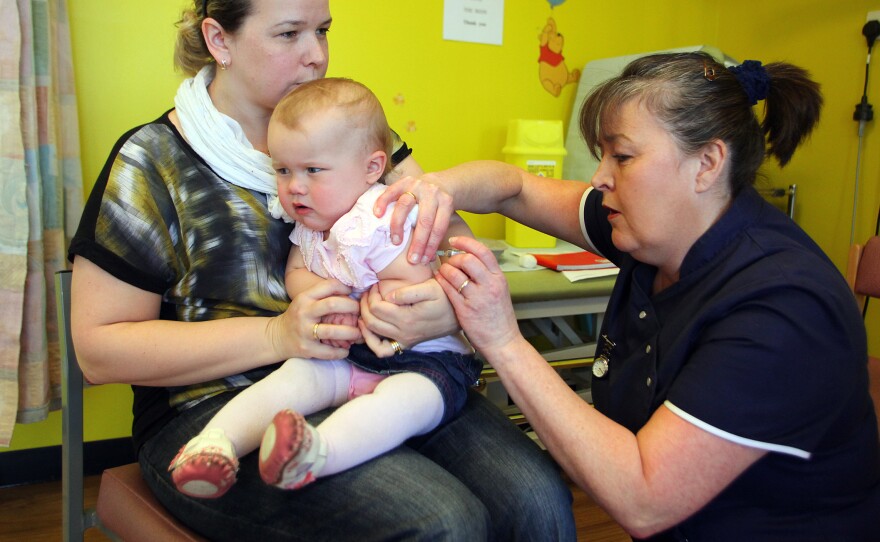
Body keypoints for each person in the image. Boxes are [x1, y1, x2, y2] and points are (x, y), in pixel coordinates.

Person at [67, 1, 576, 540]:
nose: (316, 57)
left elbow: (444, 239)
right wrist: (276, 334)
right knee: (441, 521)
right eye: (289, 34)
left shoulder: (347, 132)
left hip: (385, 367)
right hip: (209, 402)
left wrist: (439, 306)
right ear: (219, 40)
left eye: (323, 31)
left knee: (536, 500)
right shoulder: (151, 163)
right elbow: (99, 350)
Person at [379, 52, 880, 540]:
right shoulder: (658, 233)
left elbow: (644, 499)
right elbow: (515, 189)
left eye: (622, 156)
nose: (599, 178)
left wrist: (502, 340)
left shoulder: (785, 308)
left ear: (706, 163)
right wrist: (431, 189)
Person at [167, 77, 482, 498]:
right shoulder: (311, 220)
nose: (295, 186)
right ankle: (214, 444)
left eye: (313, 170)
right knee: (293, 378)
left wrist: (372, 302)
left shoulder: (378, 217)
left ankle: (317, 452)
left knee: (405, 404)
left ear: (372, 169)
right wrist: (321, 293)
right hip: (345, 353)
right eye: (283, 170)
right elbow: (296, 271)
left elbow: (411, 280)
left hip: (420, 360)